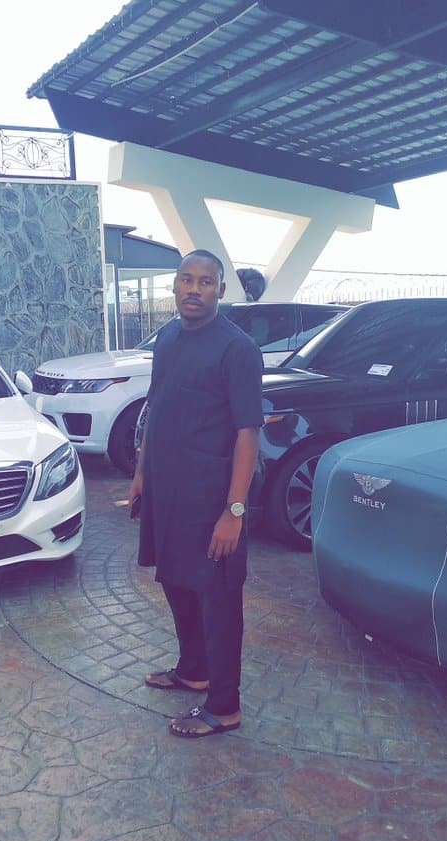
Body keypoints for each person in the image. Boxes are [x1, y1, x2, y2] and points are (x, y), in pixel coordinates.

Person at [128, 249, 263, 738]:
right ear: (175, 285)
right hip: (167, 491)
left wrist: (234, 511)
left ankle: (224, 706)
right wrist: (141, 474)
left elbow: (248, 432)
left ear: (220, 291)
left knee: (217, 597)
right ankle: (194, 670)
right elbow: (157, 407)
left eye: (205, 282)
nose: (194, 289)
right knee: (176, 579)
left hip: (212, 497)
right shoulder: (167, 338)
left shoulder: (237, 349)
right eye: (186, 279)